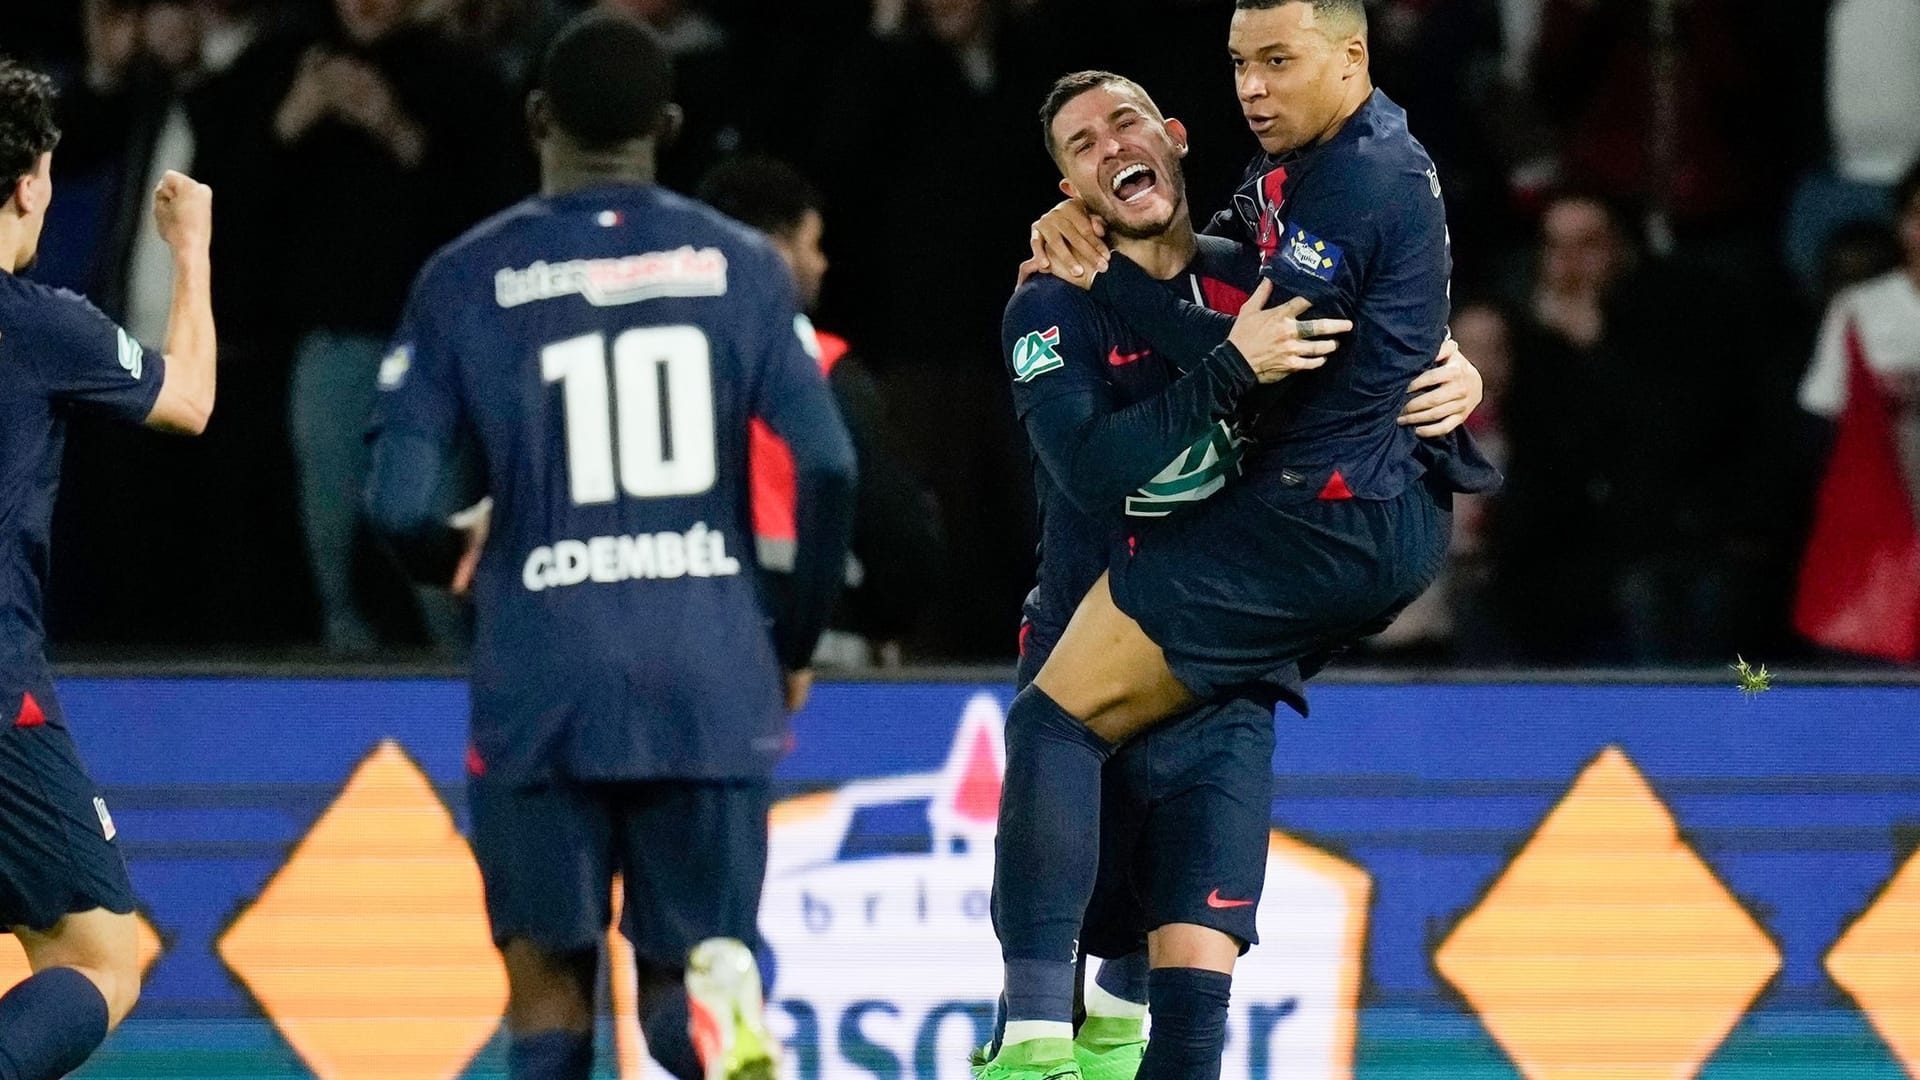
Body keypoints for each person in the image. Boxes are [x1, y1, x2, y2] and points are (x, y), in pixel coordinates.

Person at [983, 2, 1498, 1077]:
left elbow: (1355, 338)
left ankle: (1080, 1036)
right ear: (1066, 192)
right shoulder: (1052, 305)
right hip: (1105, 640)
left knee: (1188, 1021)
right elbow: (1092, 471)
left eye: (1125, 122)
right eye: (1081, 145)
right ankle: (1033, 1038)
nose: (1111, 146)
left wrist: (1451, 376)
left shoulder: (1245, 265)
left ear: (1172, 136)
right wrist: (1223, 363)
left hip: (1222, 662)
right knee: (1075, 827)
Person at [362, 14, 856, 1080]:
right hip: (710, 667)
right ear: (670, 128)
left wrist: (451, 556)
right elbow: (830, 469)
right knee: (693, 977)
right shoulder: (744, 268)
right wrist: (794, 637)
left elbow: (396, 504)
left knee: (548, 996)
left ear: (536, 117)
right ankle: (721, 1034)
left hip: (544, 667)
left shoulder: (464, 277)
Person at [0, 58, 216, 1080]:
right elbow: (190, 400)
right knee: (98, 957)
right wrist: (192, 249)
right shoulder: (41, 324)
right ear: (32, 182)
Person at [697, 154, 947, 665]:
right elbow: (900, 543)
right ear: (772, 250)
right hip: (821, 657)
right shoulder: (823, 368)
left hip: (687, 650)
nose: (821, 264)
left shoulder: (658, 360)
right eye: (812, 245)